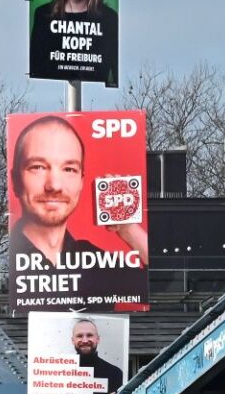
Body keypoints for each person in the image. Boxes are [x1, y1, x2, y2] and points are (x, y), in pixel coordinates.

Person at [8, 115, 148, 304]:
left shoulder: (92, 260)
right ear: (15, 180)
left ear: (81, 181)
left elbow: (161, 289)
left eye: (69, 169)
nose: (54, 186)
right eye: (38, 167)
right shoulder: (7, 262)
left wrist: (128, 228)